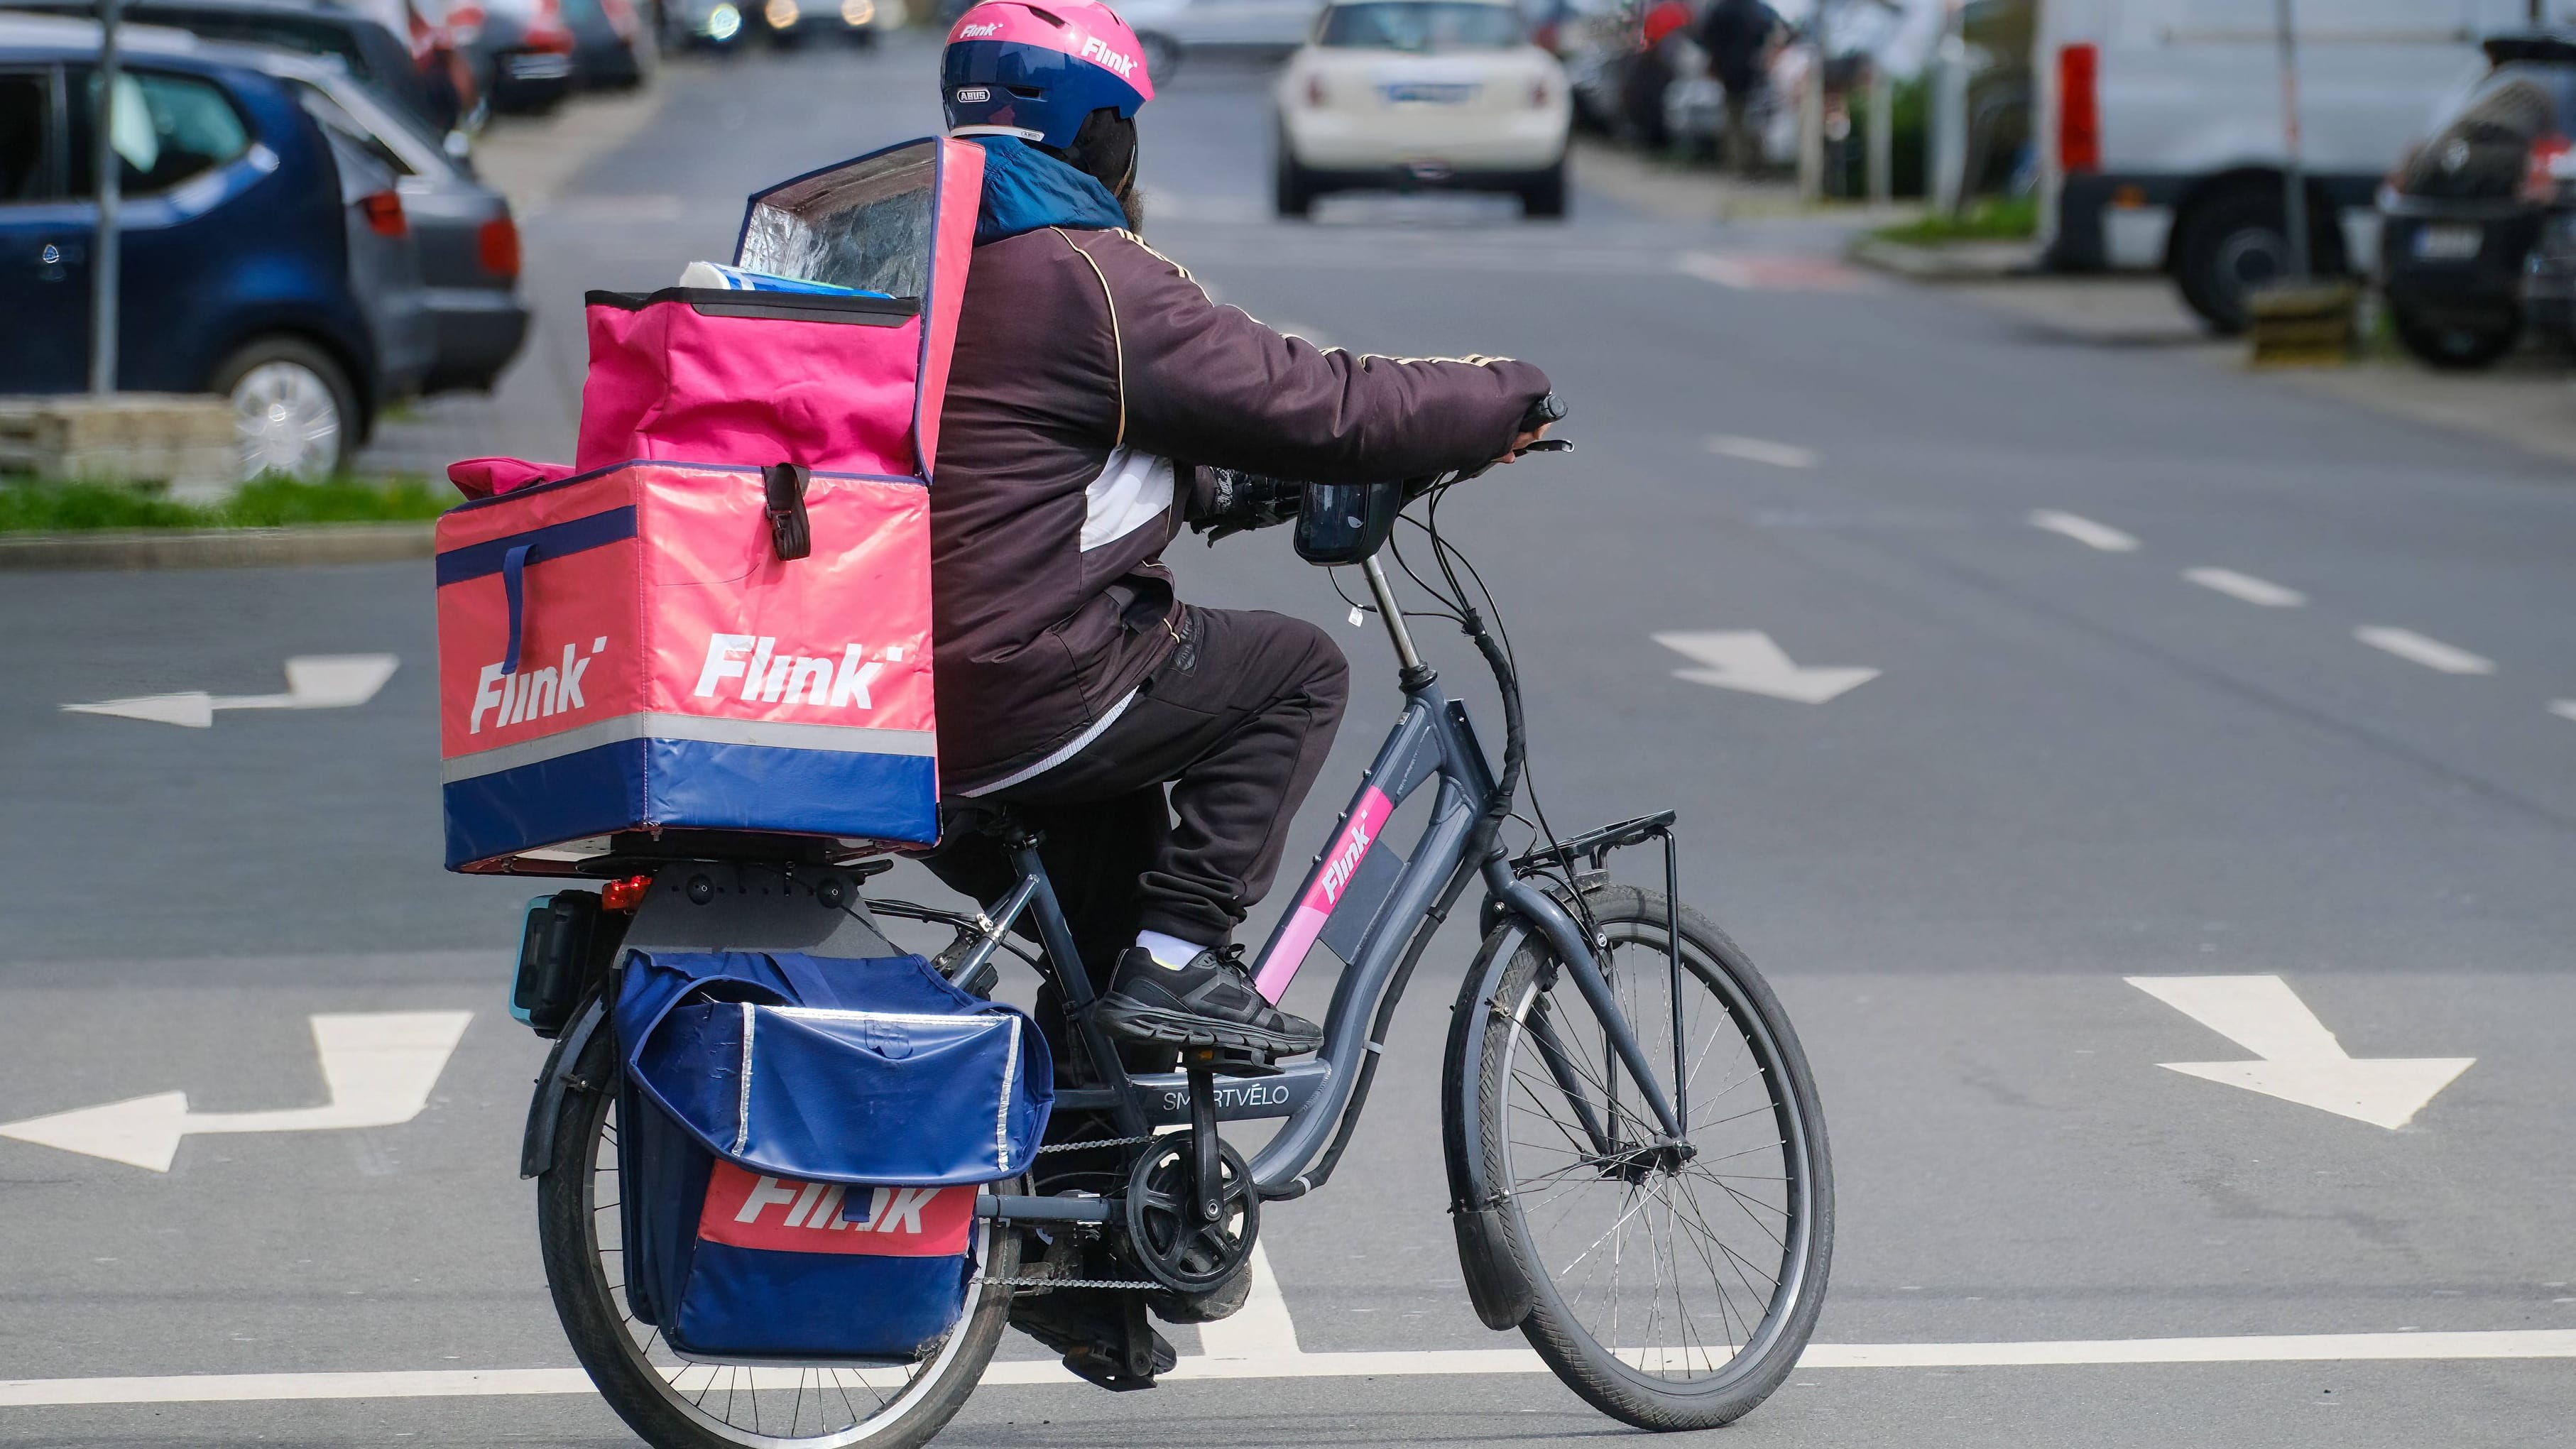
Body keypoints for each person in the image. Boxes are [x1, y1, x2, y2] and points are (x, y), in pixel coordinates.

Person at [924, 0, 1551, 1385]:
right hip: (1028, 683)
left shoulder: (945, 269)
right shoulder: (1082, 274)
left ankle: (1082, 1272)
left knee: (1089, 942)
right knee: (1292, 672)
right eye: (1121, 130)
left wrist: (1219, 484)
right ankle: (1185, 955)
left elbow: (1053, 451)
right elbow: (1310, 396)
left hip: (902, 710)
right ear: (1090, 130)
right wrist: (1496, 397)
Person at [1696, 0, 1781, 177]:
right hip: (1752, 69)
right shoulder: (1755, 8)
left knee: (1735, 118)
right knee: (1754, 118)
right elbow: (1768, 31)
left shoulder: (1720, 9)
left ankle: (1740, 165)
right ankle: (1756, 163)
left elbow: (1706, 36)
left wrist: (1715, 60)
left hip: (1728, 70)